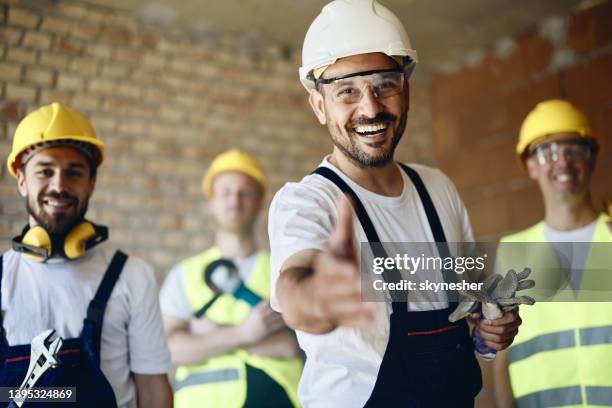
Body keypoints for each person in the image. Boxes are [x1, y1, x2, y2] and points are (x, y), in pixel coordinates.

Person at [268, 1, 522, 406]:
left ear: (406, 91)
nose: (370, 108)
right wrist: (318, 296)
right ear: (319, 105)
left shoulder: (439, 189)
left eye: (384, 85)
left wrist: (486, 333)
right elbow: (295, 292)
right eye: (346, 91)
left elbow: (468, 310)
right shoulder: (306, 202)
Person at [0, 102, 172, 407]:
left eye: (74, 172)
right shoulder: (3, 278)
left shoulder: (132, 275)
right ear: (22, 180)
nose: (59, 185)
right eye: (45, 171)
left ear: (91, 182)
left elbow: (153, 389)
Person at [160, 149, 303, 408]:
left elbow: (292, 346)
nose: (234, 200)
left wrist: (212, 335)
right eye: (225, 191)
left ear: (260, 201)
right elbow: (171, 350)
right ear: (211, 201)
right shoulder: (184, 275)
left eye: (244, 192)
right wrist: (244, 333)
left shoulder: (285, 269)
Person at [493, 99, 612, 407]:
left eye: (574, 150)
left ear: (591, 158)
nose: (562, 162)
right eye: (547, 152)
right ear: (530, 165)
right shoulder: (513, 255)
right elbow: (502, 361)